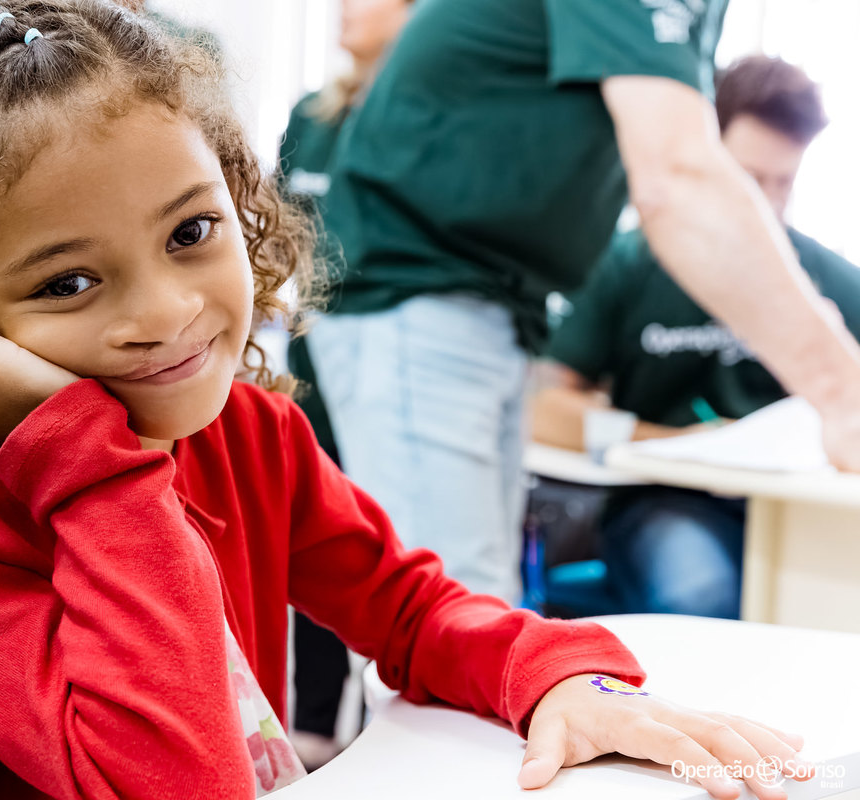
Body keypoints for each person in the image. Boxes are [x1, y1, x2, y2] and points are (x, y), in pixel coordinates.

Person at [0, 2, 815, 798]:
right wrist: (88, 468)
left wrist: (553, 675)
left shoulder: (245, 429)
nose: (166, 314)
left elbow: (409, 606)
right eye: (68, 283)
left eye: (191, 232)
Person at [310, 0, 860, 607]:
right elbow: (678, 177)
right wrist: (841, 393)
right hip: (421, 288)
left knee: (486, 606)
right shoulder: (630, 267)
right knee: (451, 616)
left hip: (492, 299)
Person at [532, 56, 860, 618]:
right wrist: (663, 441)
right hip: (665, 503)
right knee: (702, 596)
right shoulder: (626, 265)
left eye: (786, 182)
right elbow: (542, 408)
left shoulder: (833, 280)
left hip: (804, 510)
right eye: (750, 181)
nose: (770, 203)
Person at [278, 0, 413, 769]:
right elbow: (268, 220)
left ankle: (383, 738)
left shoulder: (416, 116)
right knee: (313, 546)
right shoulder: (312, 116)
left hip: (391, 358)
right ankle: (322, 728)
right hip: (313, 363)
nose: (346, 8)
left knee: (377, 554)